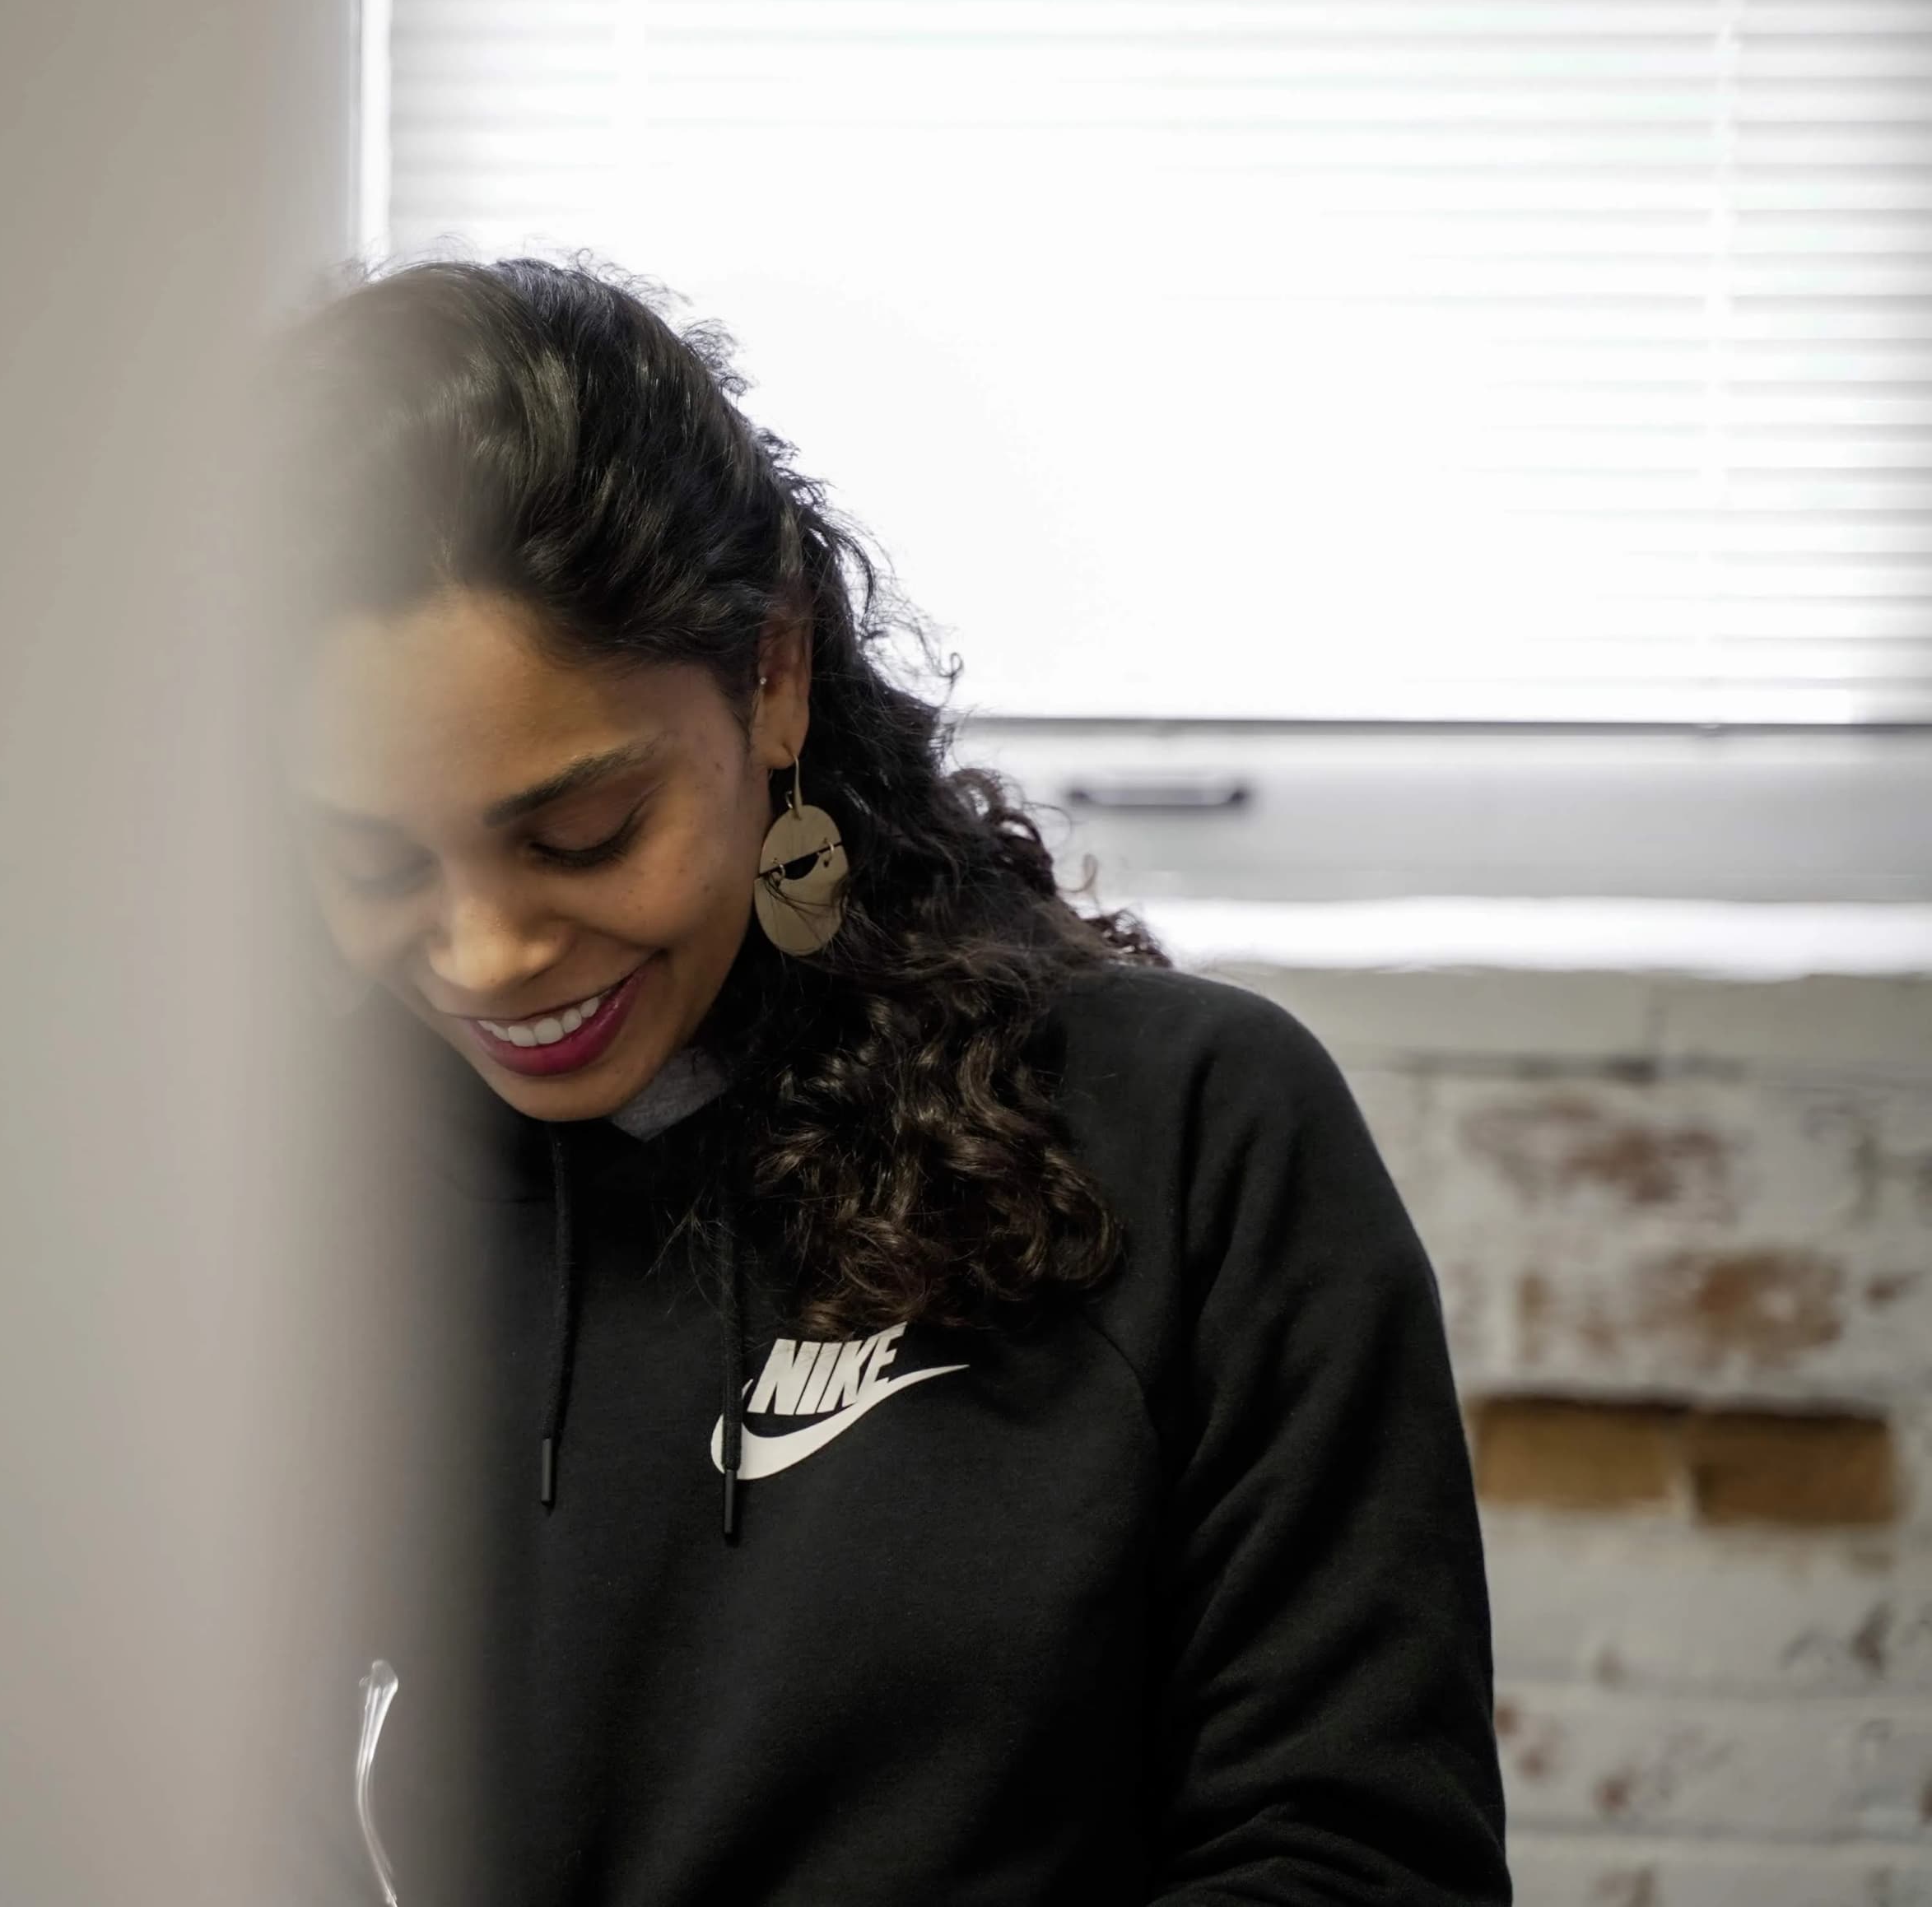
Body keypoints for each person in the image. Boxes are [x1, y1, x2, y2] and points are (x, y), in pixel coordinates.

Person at [278, 257, 1508, 1905]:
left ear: (772, 671)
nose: (488, 953)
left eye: (583, 833)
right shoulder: (264, 1218)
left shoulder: (1189, 1140)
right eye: (372, 863)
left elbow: (1361, 1861)